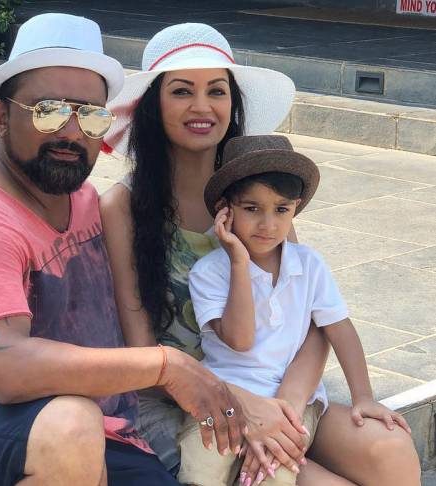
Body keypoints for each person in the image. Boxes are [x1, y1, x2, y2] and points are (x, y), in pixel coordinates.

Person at [0, 13, 261, 486]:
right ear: (1, 116)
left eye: (90, 115)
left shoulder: (83, 201)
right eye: (48, 110)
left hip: (104, 427)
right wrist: (165, 366)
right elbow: (8, 369)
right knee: (71, 425)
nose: (71, 132)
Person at [100, 22, 421, 486]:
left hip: (278, 390)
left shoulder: (259, 195)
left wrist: (285, 407)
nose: (202, 106)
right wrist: (242, 407)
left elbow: (312, 318)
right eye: (182, 91)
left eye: (216, 90)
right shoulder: (123, 206)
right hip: (181, 403)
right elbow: (145, 354)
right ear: (153, 105)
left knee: (390, 450)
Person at [177, 134, 417, 486]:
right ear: (225, 210)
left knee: (274, 474)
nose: (268, 224)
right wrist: (239, 262)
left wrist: (363, 396)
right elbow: (240, 339)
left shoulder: (309, 264)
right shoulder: (210, 272)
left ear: (296, 207)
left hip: (296, 406)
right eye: (252, 209)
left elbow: (340, 329)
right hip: (225, 397)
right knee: (202, 468)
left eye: (281, 209)